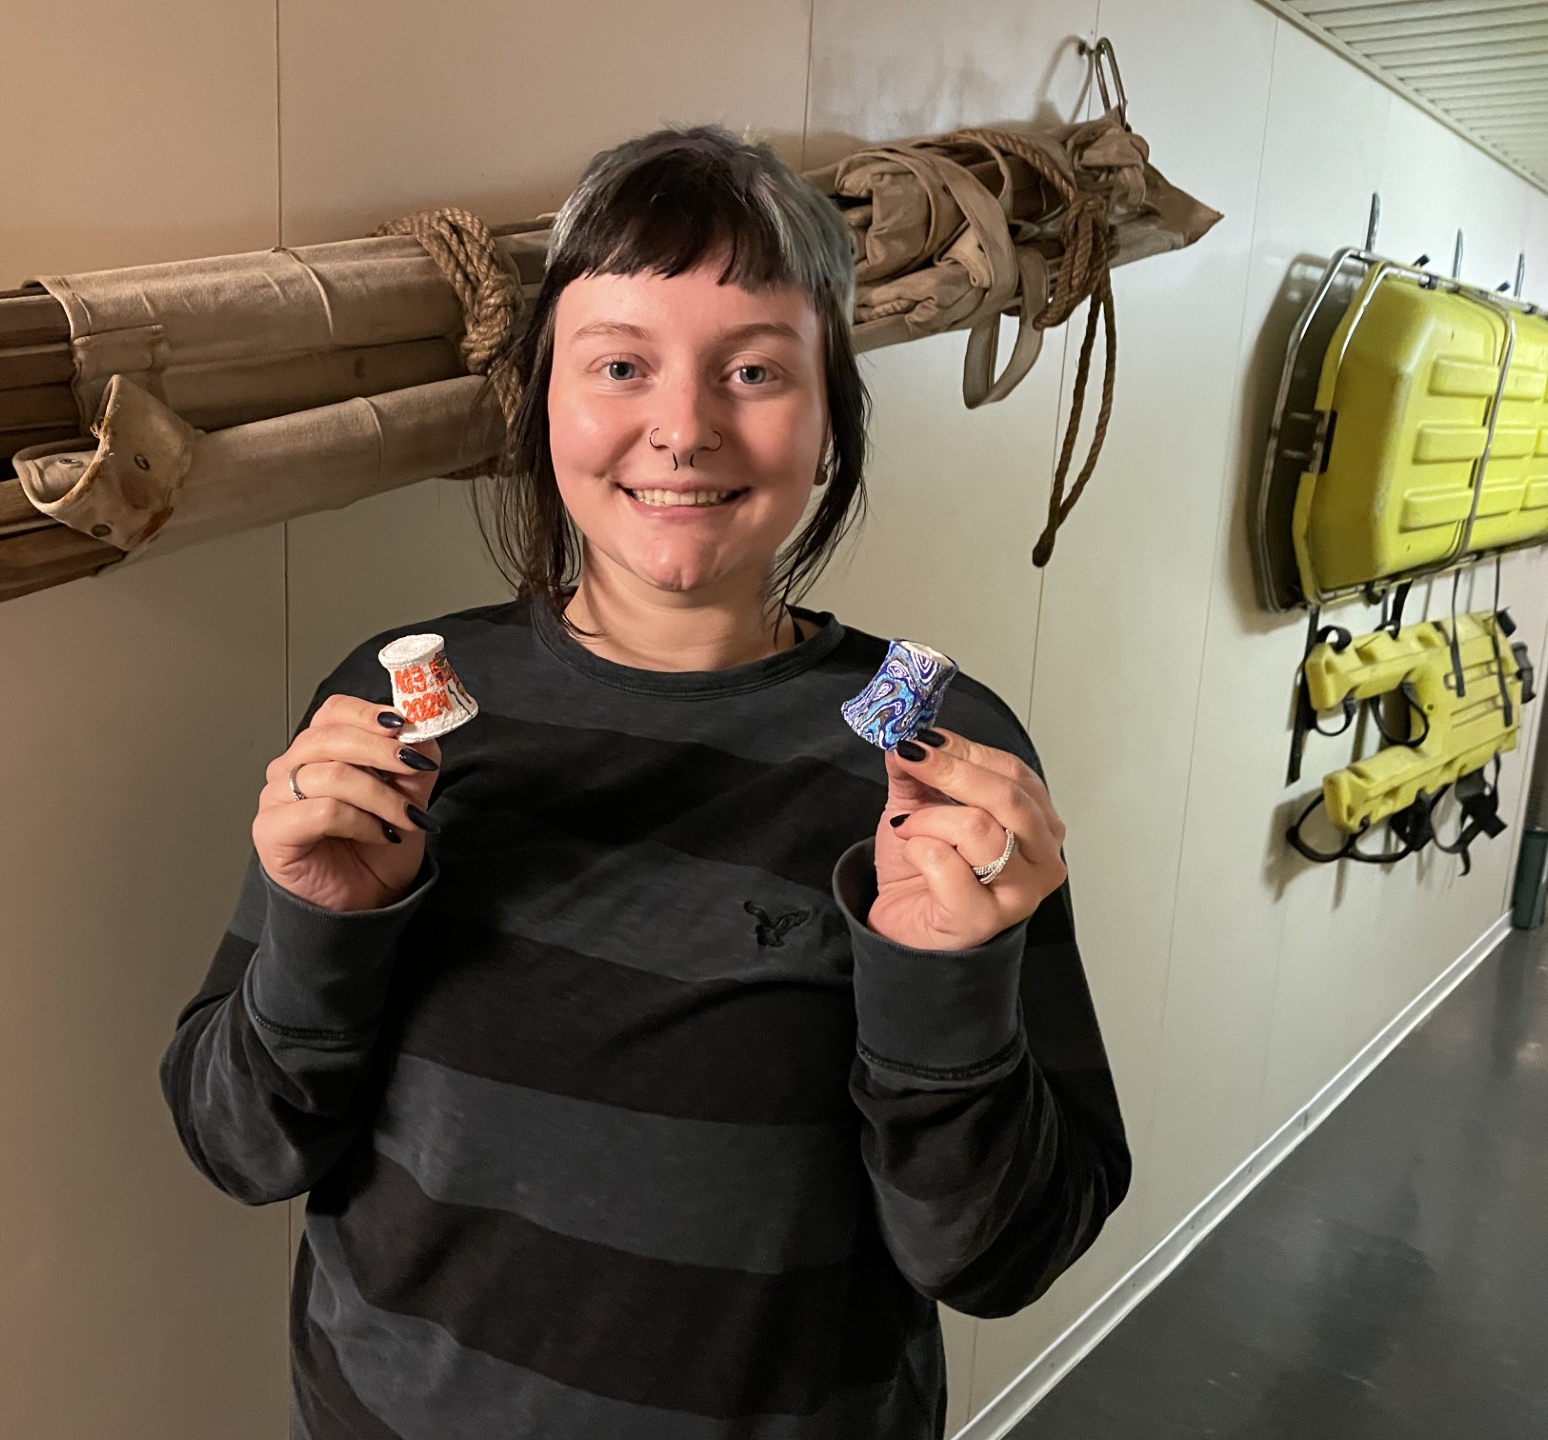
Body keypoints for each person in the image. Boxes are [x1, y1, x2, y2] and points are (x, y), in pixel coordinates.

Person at [162, 125, 1129, 1440]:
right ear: (543, 404)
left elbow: (1000, 1259)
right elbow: (241, 1146)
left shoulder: (937, 761)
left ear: (830, 419)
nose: (683, 428)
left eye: (755, 370)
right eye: (621, 364)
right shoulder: (395, 713)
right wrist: (323, 926)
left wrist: (944, 994)